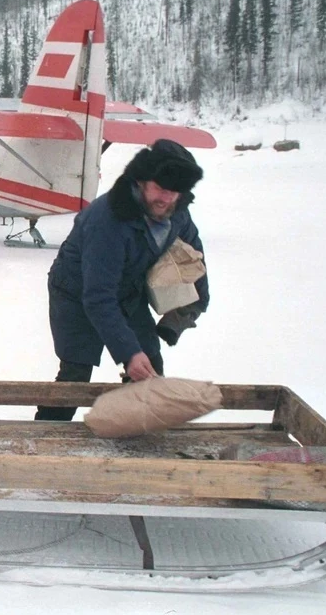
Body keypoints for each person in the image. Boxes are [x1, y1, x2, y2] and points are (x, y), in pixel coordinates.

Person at [37, 139, 209, 421]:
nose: (165, 198)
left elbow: (194, 256)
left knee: (150, 366)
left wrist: (189, 308)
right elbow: (98, 297)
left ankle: (133, 436)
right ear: (142, 181)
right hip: (76, 292)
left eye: (174, 192)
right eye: (160, 188)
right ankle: (42, 440)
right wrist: (128, 353)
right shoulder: (108, 220)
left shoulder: (176, 211)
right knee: (76, 374)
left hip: (127, 289)